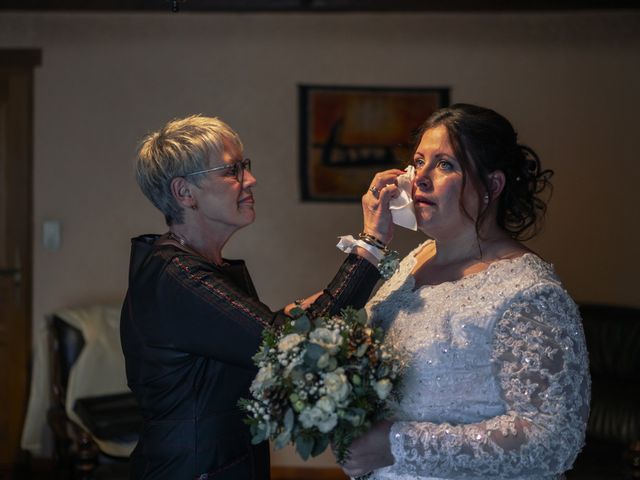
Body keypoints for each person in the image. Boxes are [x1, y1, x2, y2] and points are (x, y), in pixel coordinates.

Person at [120, 115, 399, 479]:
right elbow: (284, 344)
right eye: (231, 170)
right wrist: (372, 243)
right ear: (184, 193)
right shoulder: (178, 275)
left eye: (245, 166)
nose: (249, 180)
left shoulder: (190, 266)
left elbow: (263, 330)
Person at [340, 104, 590, 479]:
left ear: (493, 185)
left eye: (445, 165)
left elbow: (551, 440)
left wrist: (396, 445)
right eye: (418, 161)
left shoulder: (528, 293)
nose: (420, 178)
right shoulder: (415, 260)